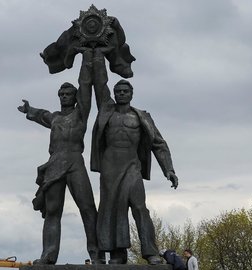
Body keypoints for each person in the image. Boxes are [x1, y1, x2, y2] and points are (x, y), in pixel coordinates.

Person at [88, 48, 179, 265]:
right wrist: (97, 54)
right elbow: (100, 83)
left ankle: (150, 252)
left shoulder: (141, 117)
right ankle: (117, 255)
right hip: (110, 168)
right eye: (117, 91)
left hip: (132, 167)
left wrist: (169, 169)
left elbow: (158, 143)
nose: (120, 94)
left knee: (139, 207)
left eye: (124, 91)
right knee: (110, 208)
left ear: (131, 94)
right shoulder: (106, 111)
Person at [17, 50, 103, 264]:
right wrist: (29, 109)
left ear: (75, 98)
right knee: (53, 211)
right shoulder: (54, 118)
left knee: (88, 208)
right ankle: (49, 254)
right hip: (55, 164)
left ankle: (97, 254)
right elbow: (41, 114)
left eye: (68, 95)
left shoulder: (80, 114)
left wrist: (87, 59)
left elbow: (85, 86)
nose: (64, 97)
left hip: (75, 162)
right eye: (61, 95)